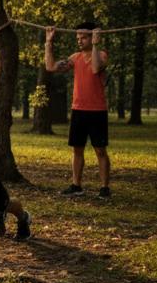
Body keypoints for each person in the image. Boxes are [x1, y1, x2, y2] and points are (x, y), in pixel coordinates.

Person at [44, 23, 110, 198]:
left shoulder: (102, 54)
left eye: (84, 38)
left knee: (100, 150)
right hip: (78, 110)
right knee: (77, 149)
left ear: (92, 37)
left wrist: (96, 44)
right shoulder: (75, 57)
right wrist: (49, 43)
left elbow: (96, 68)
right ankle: (76, 185)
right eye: (78, 38)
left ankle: (104, 188)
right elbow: (50, 67)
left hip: (97, 110)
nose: (79, 41)